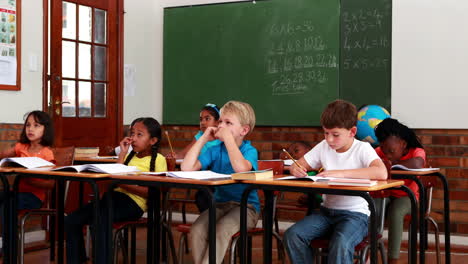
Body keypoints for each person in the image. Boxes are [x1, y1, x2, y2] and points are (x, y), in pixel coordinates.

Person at [283, 99, 387, 264]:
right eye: (326, 133)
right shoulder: (324, 146)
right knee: (293, 235)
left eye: (335, 134)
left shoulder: (362, 149)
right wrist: (295, 169)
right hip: (327, 213)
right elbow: (299, 164)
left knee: (341, 243)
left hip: (356, 216)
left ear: (352, 132)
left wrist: (341, 173)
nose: (329, 139)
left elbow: (381, 172)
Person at [64, 117, 167, 264]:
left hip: (133, 204)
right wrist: (122, 154)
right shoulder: (129, 156)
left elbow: (152, 193)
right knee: (71, 220)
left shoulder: (159, 160)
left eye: (139, 135)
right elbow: (116, 174)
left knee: (99, 220)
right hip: (112, 198)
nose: (133, 138)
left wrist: (122, 183)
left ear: (153, 141)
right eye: (132, 134)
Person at [181, 100, 259, 264]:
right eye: (221, 121)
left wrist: (229, 140)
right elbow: (187, 168)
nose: (221, 126)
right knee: (197, 229)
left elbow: (241, 169)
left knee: (221, 229)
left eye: (228, 123)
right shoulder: (214, 150)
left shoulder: (249, 151)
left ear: (244, 130)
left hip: (246, 208)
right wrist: (203, 139)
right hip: (220, 204)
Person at [374, 117, 426, 264]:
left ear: (403, 144)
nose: (387, 155)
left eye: (391, 151)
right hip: (386, 194)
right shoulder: (379, 152)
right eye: (384, 151)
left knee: (396, 211)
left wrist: (391, 164)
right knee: (372, 207)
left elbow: (417, 164)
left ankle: (393, 259)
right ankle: (368, 251)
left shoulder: (416, 151)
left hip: (409, 197)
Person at [0, 111, 56, 248]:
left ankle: (10, 249)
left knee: (7, 206)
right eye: (28, 125)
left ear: (45, 129)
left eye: (36, 125)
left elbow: (51, 183)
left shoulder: (47, 154)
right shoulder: (21, 147)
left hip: (34, 197)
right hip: (17, 192)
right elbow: (3, 155)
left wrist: (29, 178)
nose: (30, 129)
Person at [167, 103, 222, 212]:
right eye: (201, 119)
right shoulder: (200, 136)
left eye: (207, 119)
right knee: (201, 197)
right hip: (204, 178)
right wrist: (176, 156)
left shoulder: (222, 136)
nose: (203, 122)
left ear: (217, 121)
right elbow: (185, 152)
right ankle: (208, 223)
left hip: (219, 179)